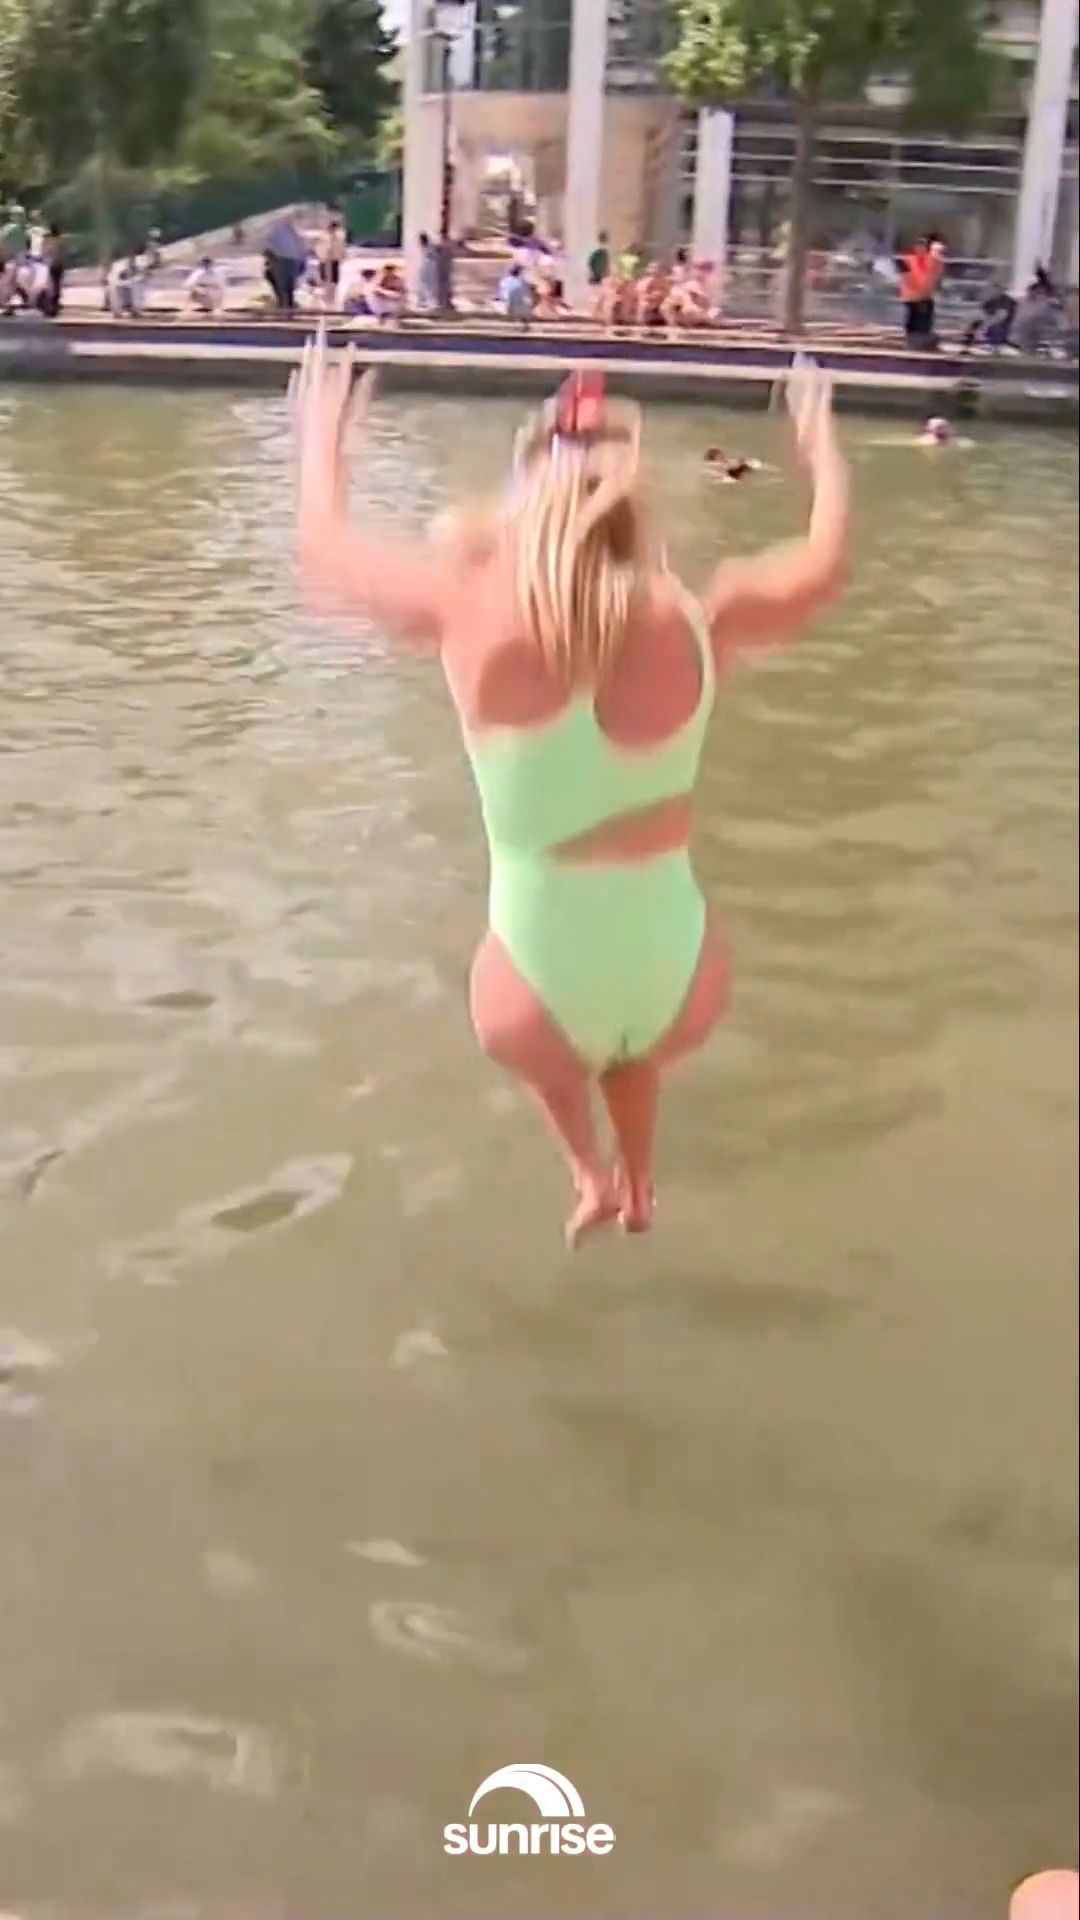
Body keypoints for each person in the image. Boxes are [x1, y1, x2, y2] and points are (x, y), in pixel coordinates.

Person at [290, 342, 848, 1244]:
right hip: (679, 977)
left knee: (559, 1052)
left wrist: (322, 446)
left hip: (530, 990)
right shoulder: (705, 620)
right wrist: (823, 456)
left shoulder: (468, 613)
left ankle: (588, 1175)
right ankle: (639, 1183)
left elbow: (325, 553)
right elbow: (824, 563)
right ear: (637, 510)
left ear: (527, 504)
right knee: (633, 1047)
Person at [264, 214, 307, 312]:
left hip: (282, 260)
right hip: (289, 260)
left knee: (284, 290)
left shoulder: (276, 229)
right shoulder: (290, 230)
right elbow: (300, 247)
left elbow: (267, 247)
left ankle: (285, 308)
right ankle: (287, 307)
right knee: (287, 290)